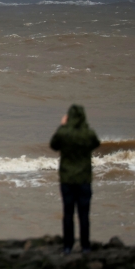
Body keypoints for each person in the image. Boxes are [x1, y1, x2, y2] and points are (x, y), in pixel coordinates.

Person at [49, 104, 101, 255]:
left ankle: (68, 247)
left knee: (68, 214)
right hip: (84, 179)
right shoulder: (88, 133)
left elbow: (53, 145)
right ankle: (85, 247)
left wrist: (62, 125)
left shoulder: (63, 133)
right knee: (84, 215)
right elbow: (96, 144)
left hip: (67, 179)